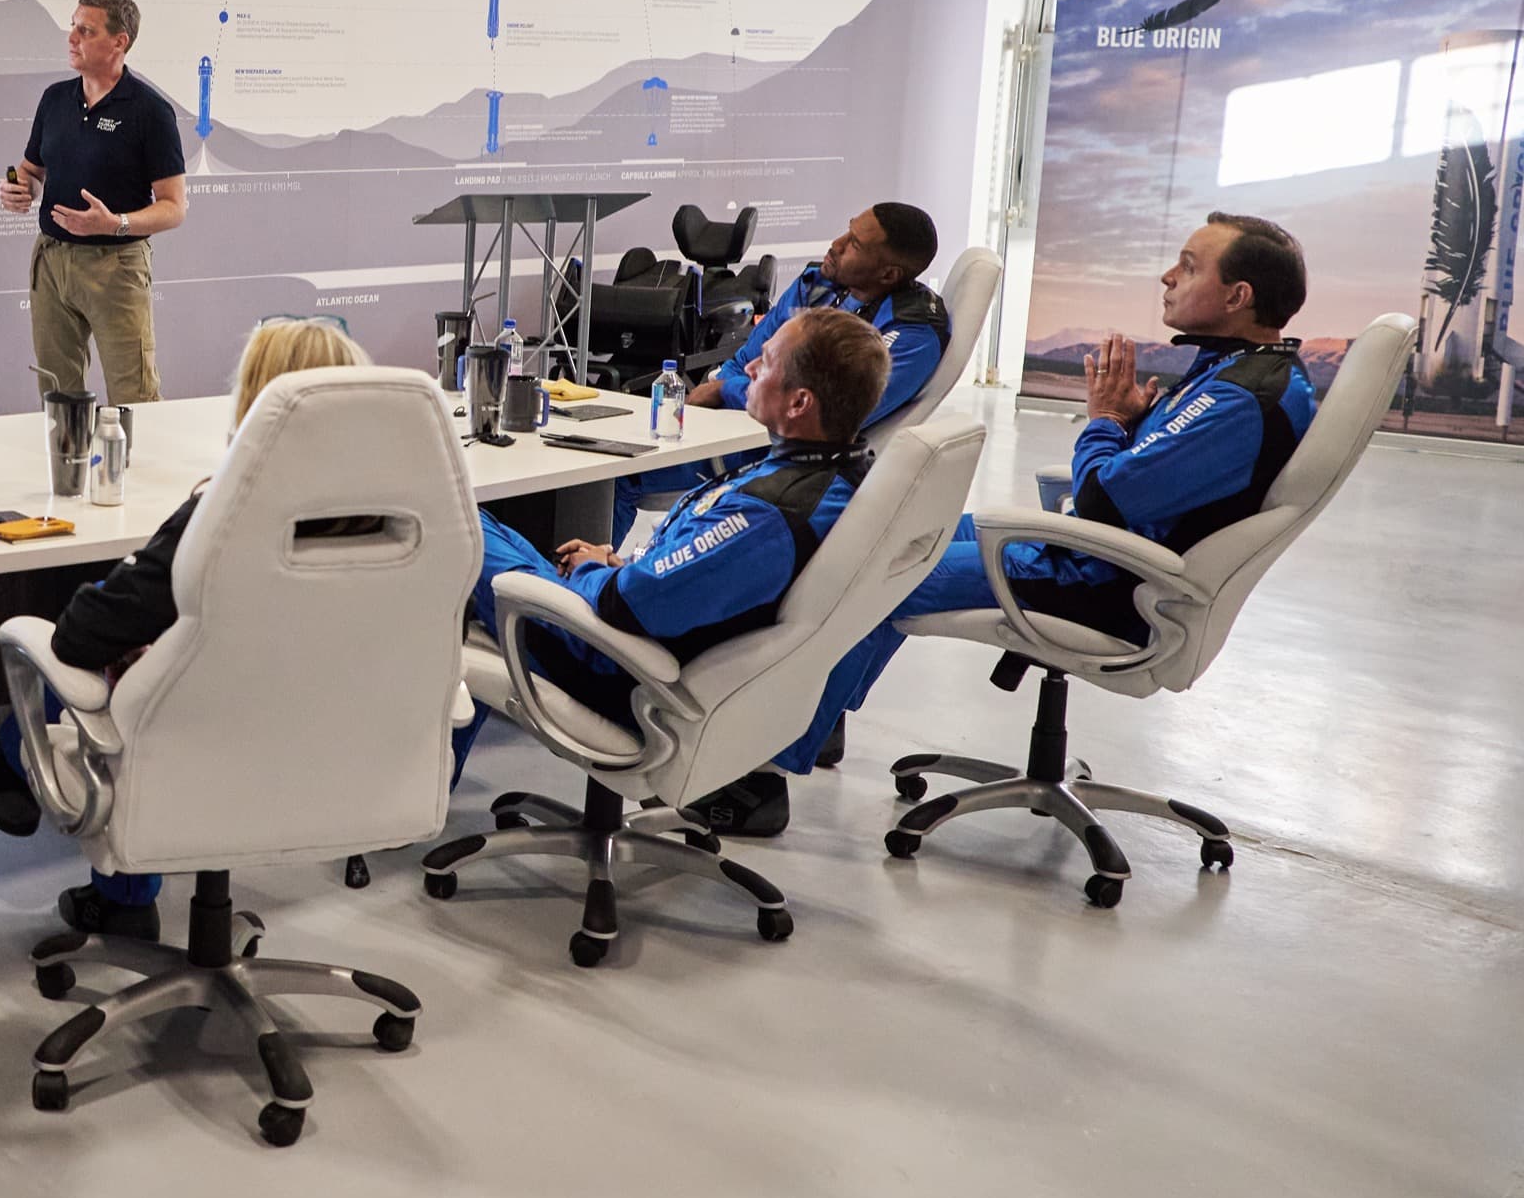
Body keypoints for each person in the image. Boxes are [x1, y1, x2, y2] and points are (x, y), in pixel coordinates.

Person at [808, 212, 1316, 778]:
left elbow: (1102, 495)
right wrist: (1130, 427)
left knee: (873, 575)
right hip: (1107, 556)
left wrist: (1107, 420)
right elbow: (1141, 474)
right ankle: (815, 723)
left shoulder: (1240, 399)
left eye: (1189, 267)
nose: (1168, 277)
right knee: (891, 535)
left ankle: (767, 774)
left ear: (1237, 296)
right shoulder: (1241, 372)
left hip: (1104, 580)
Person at [0, 317, 367, 939]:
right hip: (327, 746)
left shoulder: (225, 516)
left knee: (111, 644)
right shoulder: (385, 520)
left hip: (203, 742)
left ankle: (108, 879)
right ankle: (6, 767)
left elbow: (81, 633)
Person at [475, 307, 895, 840]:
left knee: (454, 533)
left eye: (763, 366)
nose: (748, 374)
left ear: (799, 402)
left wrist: (591, 574)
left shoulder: (768, 515)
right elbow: (693, 578)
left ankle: (417, 793)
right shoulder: (835, 475)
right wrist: (616, 562)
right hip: (649, 638)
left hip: (615, 665)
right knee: (477, 525)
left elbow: (627, 607)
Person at [614, 200, 948, 542]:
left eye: (855, 244)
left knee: (614, 475)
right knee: (608, 446)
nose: (836, 244)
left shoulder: (912, 334)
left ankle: (573, 586)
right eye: (848, 229)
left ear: (889, 274)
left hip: (779, 452)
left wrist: (724, 392)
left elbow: (831, 411)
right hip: (733, 422)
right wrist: (726, 392)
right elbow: (745, 361)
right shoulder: (817, 284)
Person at [1, 0, 188, 407]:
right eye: (73, 25)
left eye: (85, 30)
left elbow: (174, 206)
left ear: (119, 42)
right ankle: (67, 473)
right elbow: (31, 170)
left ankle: (135, 473)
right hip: (51, 262)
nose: (72, 37)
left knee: (134, 396)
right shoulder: (55, 99)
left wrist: (115, 222)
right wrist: (18, 189)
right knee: (57, 394)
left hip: (115, 267)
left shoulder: (150, 110)